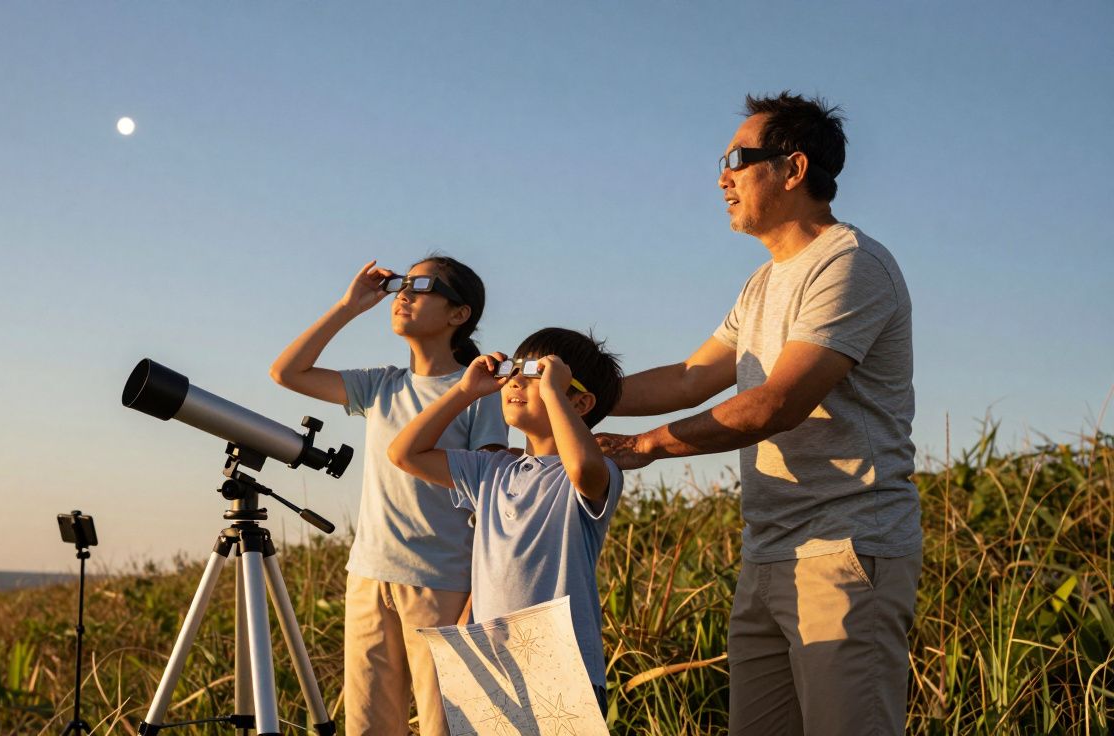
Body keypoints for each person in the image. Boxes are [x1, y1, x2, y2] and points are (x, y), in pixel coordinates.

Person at [596, 92, 921, 735]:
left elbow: (777, 404)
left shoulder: (850, 265)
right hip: (767, 554)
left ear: (793, 169)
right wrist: (575, 394)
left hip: (846, 550)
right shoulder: (762, 282)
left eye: (737, 159)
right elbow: (691, 377)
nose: (723, 176)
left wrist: (643, 446)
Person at [270, 256, 508, 735]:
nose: (404, 293)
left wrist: (476, 600)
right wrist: (347, 306)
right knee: (368, 728)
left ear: (458, 314)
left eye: (422, 286)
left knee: (448, 727)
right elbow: (287, 372)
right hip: (368, 578)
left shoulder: (481, 392)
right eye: (403, 283)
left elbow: (493, 501)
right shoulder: (382, 385)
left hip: (443, 586)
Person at [388, 327, 625, 713]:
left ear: (579, 403)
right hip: (490, 666)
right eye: (514, 370)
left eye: (537, 373)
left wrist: (552, 392)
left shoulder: (593, 472)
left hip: (563, 668)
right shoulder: (491, 469)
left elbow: (583, 467)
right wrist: (464, 391)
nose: (516, 380)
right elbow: (404, 453)